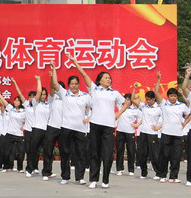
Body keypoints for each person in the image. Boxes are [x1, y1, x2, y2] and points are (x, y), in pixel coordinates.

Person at [66, 55, 129, 189]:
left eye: (109, 78)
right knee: (94, 152)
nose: (109, 79)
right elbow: (83, 74)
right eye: (106, 78)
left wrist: (118, 113)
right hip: (95, 124)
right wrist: (75, 62)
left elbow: (126, 102)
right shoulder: (94, 89)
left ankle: (105, 180)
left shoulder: (114, 93)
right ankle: (93, 179)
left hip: (108, 127)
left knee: (107, 154)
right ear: (100, 80)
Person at [50, 64, 90, 185]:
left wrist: (89, 118)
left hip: (80, 129)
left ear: (79, 84)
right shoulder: (64, 93)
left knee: (80, 153)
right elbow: (55, 83)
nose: (74, 86)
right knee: (65, 153)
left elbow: (96, 107)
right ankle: (65, 176)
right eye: (72, 84)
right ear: (69, 85)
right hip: (66, 128)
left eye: (76, 83)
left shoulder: (85, 96)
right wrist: (54, 69)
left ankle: (80, 177)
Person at [156, 72, 190, 183]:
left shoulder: (182, 105)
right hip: (166, 133)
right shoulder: (164, 104)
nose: (173, 98)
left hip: (178, 134)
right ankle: (162, 175)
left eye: (175, 96)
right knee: (164, 155)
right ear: (168, 96)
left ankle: (173, 176)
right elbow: (156, 92)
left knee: (176, 157)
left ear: (177, 96)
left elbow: (190, 114)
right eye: (171, 96)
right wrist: (159, 80)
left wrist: (185, 123)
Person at [25, 75, 50, 178]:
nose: (43, 96)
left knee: (47, 152)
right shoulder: (36, 103)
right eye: (42, 94)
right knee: (33, 150)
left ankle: (46, 172)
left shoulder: (49, 104)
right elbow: (38, 92)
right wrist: (39, 80)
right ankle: (29, 169)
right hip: (36, 129)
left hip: (47, 130)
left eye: (45, 94)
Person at [41, 72, 63, 181]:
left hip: (63, 127)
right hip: (52, 126)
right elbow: (51, 86)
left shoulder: (67, 98)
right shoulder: (52, 97)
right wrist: (51, 76)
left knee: (65, 152)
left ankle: (65, 175)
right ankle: (46, 172)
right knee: (48, 150)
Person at [137, 90, 163, 180]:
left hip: (153, 134)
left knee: (154, 155)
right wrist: (134, 89)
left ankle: (158, 172)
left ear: (153, 99)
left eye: (149, 100)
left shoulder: (159, 108)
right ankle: (144, 172)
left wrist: (159, 127)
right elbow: (133, 99)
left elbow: (166, 119)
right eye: (146, 99)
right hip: (143, 132)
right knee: (142, 154)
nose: (147, 101)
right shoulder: (144, 106)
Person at [114, 89, 140, 176]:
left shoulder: (136, 110)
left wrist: (137, 125)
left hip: (130, 132)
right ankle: (119, 168)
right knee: (120, 150)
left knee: (131, 151)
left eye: (129, 99)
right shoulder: (120, 106)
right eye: (126, 99)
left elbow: (142, 119)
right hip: (120, 131)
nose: (127, 101)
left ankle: (131, 169)